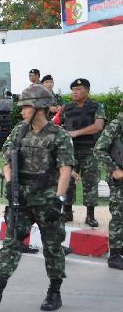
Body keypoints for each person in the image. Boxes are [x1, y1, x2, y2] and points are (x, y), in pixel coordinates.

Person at [0, 85, 74, 311]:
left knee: (52, 246)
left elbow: (65, 170)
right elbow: (8, 161)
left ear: (39, 107)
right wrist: (10, 184)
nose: (22, 111)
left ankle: (54, 291)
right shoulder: (20, 131)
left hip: (47, 199)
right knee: (12, 243)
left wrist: (58, 201)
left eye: (26, 106)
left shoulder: (59, 135)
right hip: (22, 199)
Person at [60, 78, 105, 226]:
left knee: (90, 182)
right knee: (68, 181)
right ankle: (67, 212)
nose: (74, 92)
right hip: (70, 151)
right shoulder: (66, 108)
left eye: (78, 89)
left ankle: (90, 216)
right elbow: (56, 124)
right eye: (73, 89)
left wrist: (76, 133)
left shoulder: (96, 106)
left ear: (87, 90)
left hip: (89, 150)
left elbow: (98, 126)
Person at [95, 104, 123, 270]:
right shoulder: (115, 126)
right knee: (119, 217)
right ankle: (114, 255)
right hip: (120, 180)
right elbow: (99, 149)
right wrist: (114, 169)